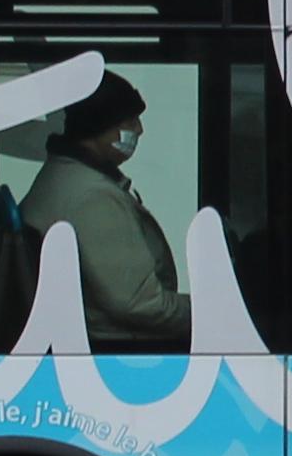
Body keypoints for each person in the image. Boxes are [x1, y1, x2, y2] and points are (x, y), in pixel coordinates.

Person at [18, 73, 191, 347]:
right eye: (130, 121)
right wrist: (212, 312)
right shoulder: (93, 197)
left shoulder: (63, 175)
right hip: (114, 349)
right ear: (99, 125)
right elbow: (139, 303)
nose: (139, 130)